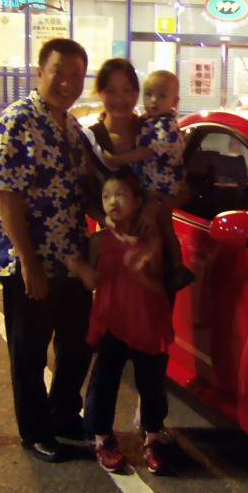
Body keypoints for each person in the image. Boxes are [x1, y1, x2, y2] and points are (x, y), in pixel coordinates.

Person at [0, 38, 93, 463]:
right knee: (30, 352)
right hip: (29, 260)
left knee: (77, 344)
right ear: (39, 73)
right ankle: (35, 433)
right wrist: (29, 264)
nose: (67, 82)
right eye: (58, 73)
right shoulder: (17, 120)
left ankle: (63, 415)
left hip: (71, 258)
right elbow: (6, 196)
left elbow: (83, 191)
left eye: (75, 75)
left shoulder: (72, 128)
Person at [66, 173, 174, 473]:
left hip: (146, 318)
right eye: (106, 196)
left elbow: (157, 285)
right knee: (105, 378)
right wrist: (81, 270)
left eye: (121, 195)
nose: (113, 201)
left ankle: (153, 437)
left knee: (150, 380)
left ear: (137, 202)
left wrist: (140, 269)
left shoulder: (151, 238)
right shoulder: (98, 241)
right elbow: (93, 282)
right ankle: (101, 438)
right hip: (111, 319)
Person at [101, 69, 190, 292]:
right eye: (149, 94)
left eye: (161, 95)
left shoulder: (166, 125)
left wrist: (119, 159)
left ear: (174, 101)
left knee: (164, 226)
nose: (153, 100)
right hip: (151, 185)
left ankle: (177, 267)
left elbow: (147, 151)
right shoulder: (148, 121)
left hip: (162, 185)